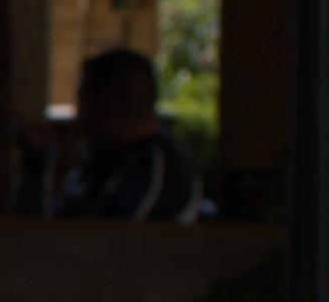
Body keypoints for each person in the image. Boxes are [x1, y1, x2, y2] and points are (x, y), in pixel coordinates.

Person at [30, 49, 203, 223]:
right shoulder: (103, 158)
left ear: (108, 108)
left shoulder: (154, 169)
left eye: (83, 101)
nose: (78, 117)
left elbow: (92, 240)